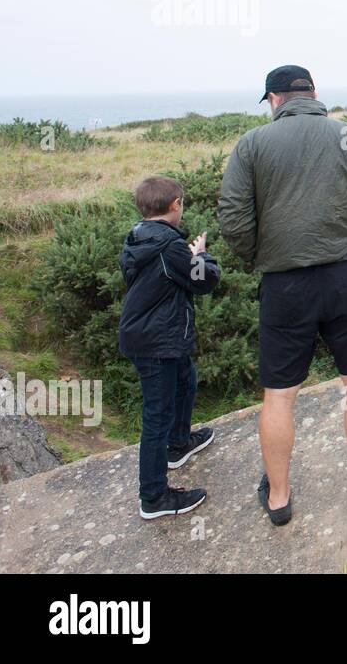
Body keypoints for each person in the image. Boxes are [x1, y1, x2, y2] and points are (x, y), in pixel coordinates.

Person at [217, 65, 347, 526]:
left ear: (274, 100)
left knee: (279, 394)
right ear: (313, 94)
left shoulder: (252, 144)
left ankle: (279, 498)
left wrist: (263, 256)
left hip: (284, 284)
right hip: (344, 274)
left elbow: (234, 220)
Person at [119, 175, 220, 519]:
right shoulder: (169, 246)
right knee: (156, 415)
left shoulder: (137, 237)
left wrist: (187, 259)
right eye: (182, 204)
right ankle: (154, 497)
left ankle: (178, 445)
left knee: (185, 382)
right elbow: (203, 281)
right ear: (175, 204)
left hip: (154, 336)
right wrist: (202, 257)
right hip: (156, 341)